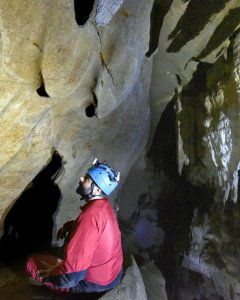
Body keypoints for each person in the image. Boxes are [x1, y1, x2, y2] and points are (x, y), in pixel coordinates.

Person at [26, 158, 123, 294]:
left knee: (32, 262)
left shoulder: (90, 216)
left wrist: (53, 275)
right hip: (113, 274)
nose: (81, 179)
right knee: (62, 258)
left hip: (95, 283)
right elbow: (93, 231)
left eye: (87, 179)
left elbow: (72, 277)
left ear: (96, 190)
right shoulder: (104, 207)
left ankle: (49, 289)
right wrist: (67, 226)